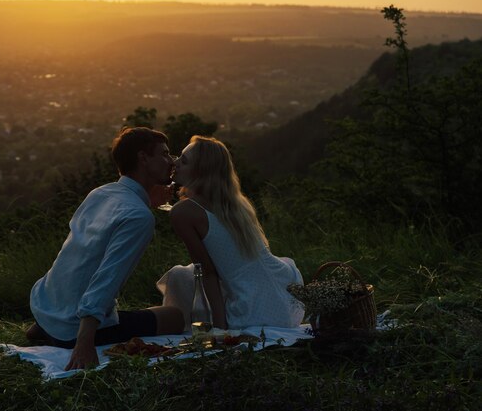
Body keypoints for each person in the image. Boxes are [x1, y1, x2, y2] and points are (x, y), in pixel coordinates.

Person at [26, 127, 184, 370]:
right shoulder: (138, 216)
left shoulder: (101, 193)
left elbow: (77, 254)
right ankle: (66, 333)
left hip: (46, 307)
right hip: (72, 330)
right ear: (143, 158)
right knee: (175, 316)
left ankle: (48, 327)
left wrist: (148, 201)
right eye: (164, 154)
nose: (171, 161)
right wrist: (84, 342)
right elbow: (106, 279)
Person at [157, 135, 304, 330]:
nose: (175, 162)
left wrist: (219, 328)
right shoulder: (236, 203)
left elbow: (207, 272)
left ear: (201, 171)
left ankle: (176, 324)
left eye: (183, 161)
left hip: (254, 309)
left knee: (178, 275)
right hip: (286, 299)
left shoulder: (183, 212)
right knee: (188, 273)